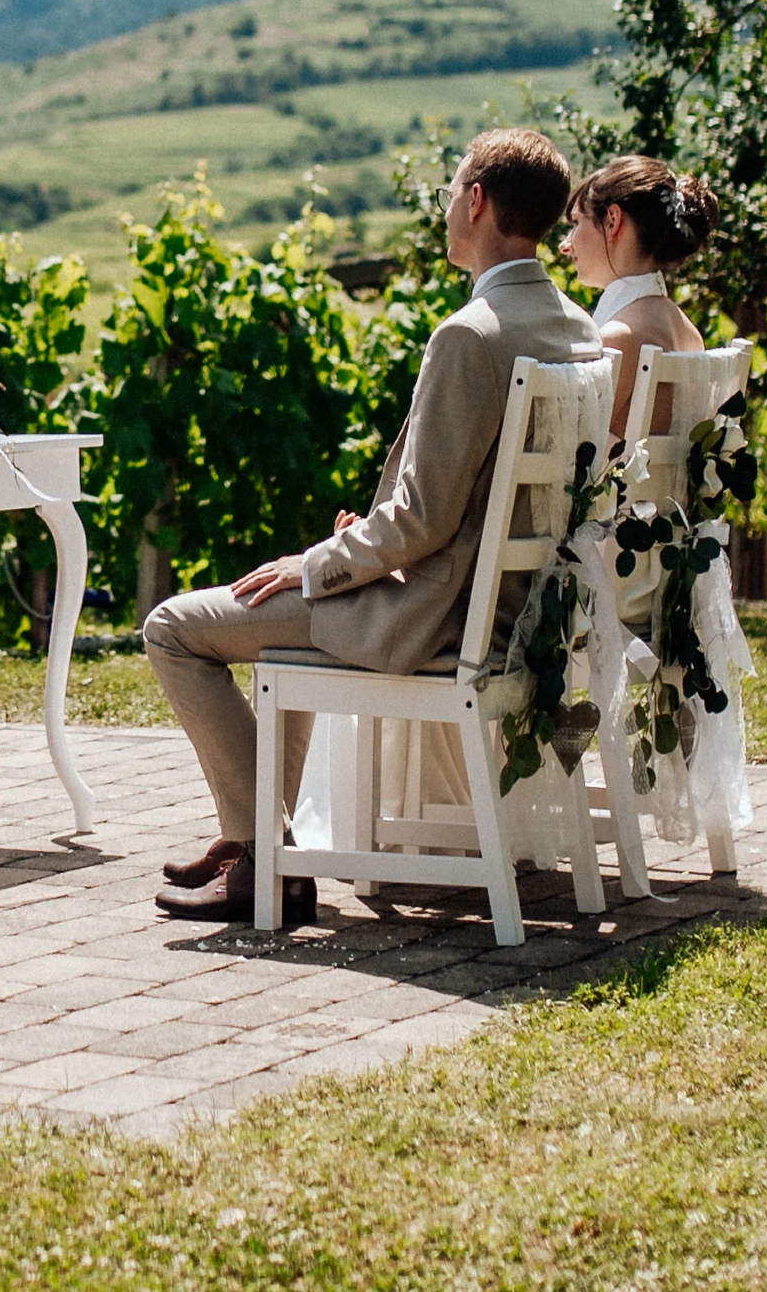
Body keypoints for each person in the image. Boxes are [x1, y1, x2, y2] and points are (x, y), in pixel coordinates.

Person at [136, 128, 599, 925]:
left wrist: (318, 562)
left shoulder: (472, 334)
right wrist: (364, 543)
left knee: (174, 628)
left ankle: (263, 857)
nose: (449, 205)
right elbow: (465, 509)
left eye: (454, 190)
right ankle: (256, 848)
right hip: (519, 612)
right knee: (278, 633)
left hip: (434, 615)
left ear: (478, 201)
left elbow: (422, 522)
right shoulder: (578, 329)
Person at [564, 153, 718, 440]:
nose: (565, 245)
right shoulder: (690, 335)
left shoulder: (617, 339)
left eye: (576, 224)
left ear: (612, 220)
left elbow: (565, 452)